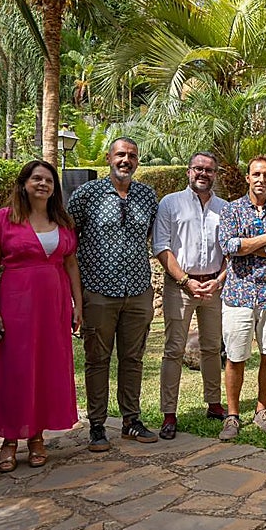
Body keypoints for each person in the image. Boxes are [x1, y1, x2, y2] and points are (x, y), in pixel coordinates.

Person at [0, 161, 83, 471]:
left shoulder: (62, 220)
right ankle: (10, 439)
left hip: (53, 307)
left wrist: (78, 304)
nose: (43, 184)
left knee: (45, 369)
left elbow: (70, 265)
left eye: (49, 180)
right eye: (36, 178)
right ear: (24, 183)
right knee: (14, 370)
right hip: (15, 305)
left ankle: (36, 437)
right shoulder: (4, 219)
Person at [68, 137, 159, 451]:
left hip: (137, 290)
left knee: (132, 359)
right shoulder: (87, 194)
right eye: (121, 154)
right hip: (98, 292)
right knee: (97, 360)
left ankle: (131, 421)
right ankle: (96, 425)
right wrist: (74, 293)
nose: (126, 160)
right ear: (109, 157)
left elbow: (150, 236)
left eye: (132, 155)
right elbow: (69, 239)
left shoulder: (147, 196)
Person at [216, 155, 266, 441]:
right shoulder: (232, 210)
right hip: (238, 293)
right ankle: (233, 415)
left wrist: (248, 244)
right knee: (235, 356)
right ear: (248, 178)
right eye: (256, 174)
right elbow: (228, 245)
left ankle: (262, 409)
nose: (261, 179)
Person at [153, 151, 228, 440]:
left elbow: (230, 249)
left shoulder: (225, 208)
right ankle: (169, 413)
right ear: (188, 171)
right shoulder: (170, 203)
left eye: (209, 170)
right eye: (198, 168)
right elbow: (161, 246)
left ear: (215, 175)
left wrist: (218, 279)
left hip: (213, 286)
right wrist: (184, 280)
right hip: (179, 286)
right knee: (174, 349)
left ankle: (214, 404)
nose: (203, 173)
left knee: (212, 348)